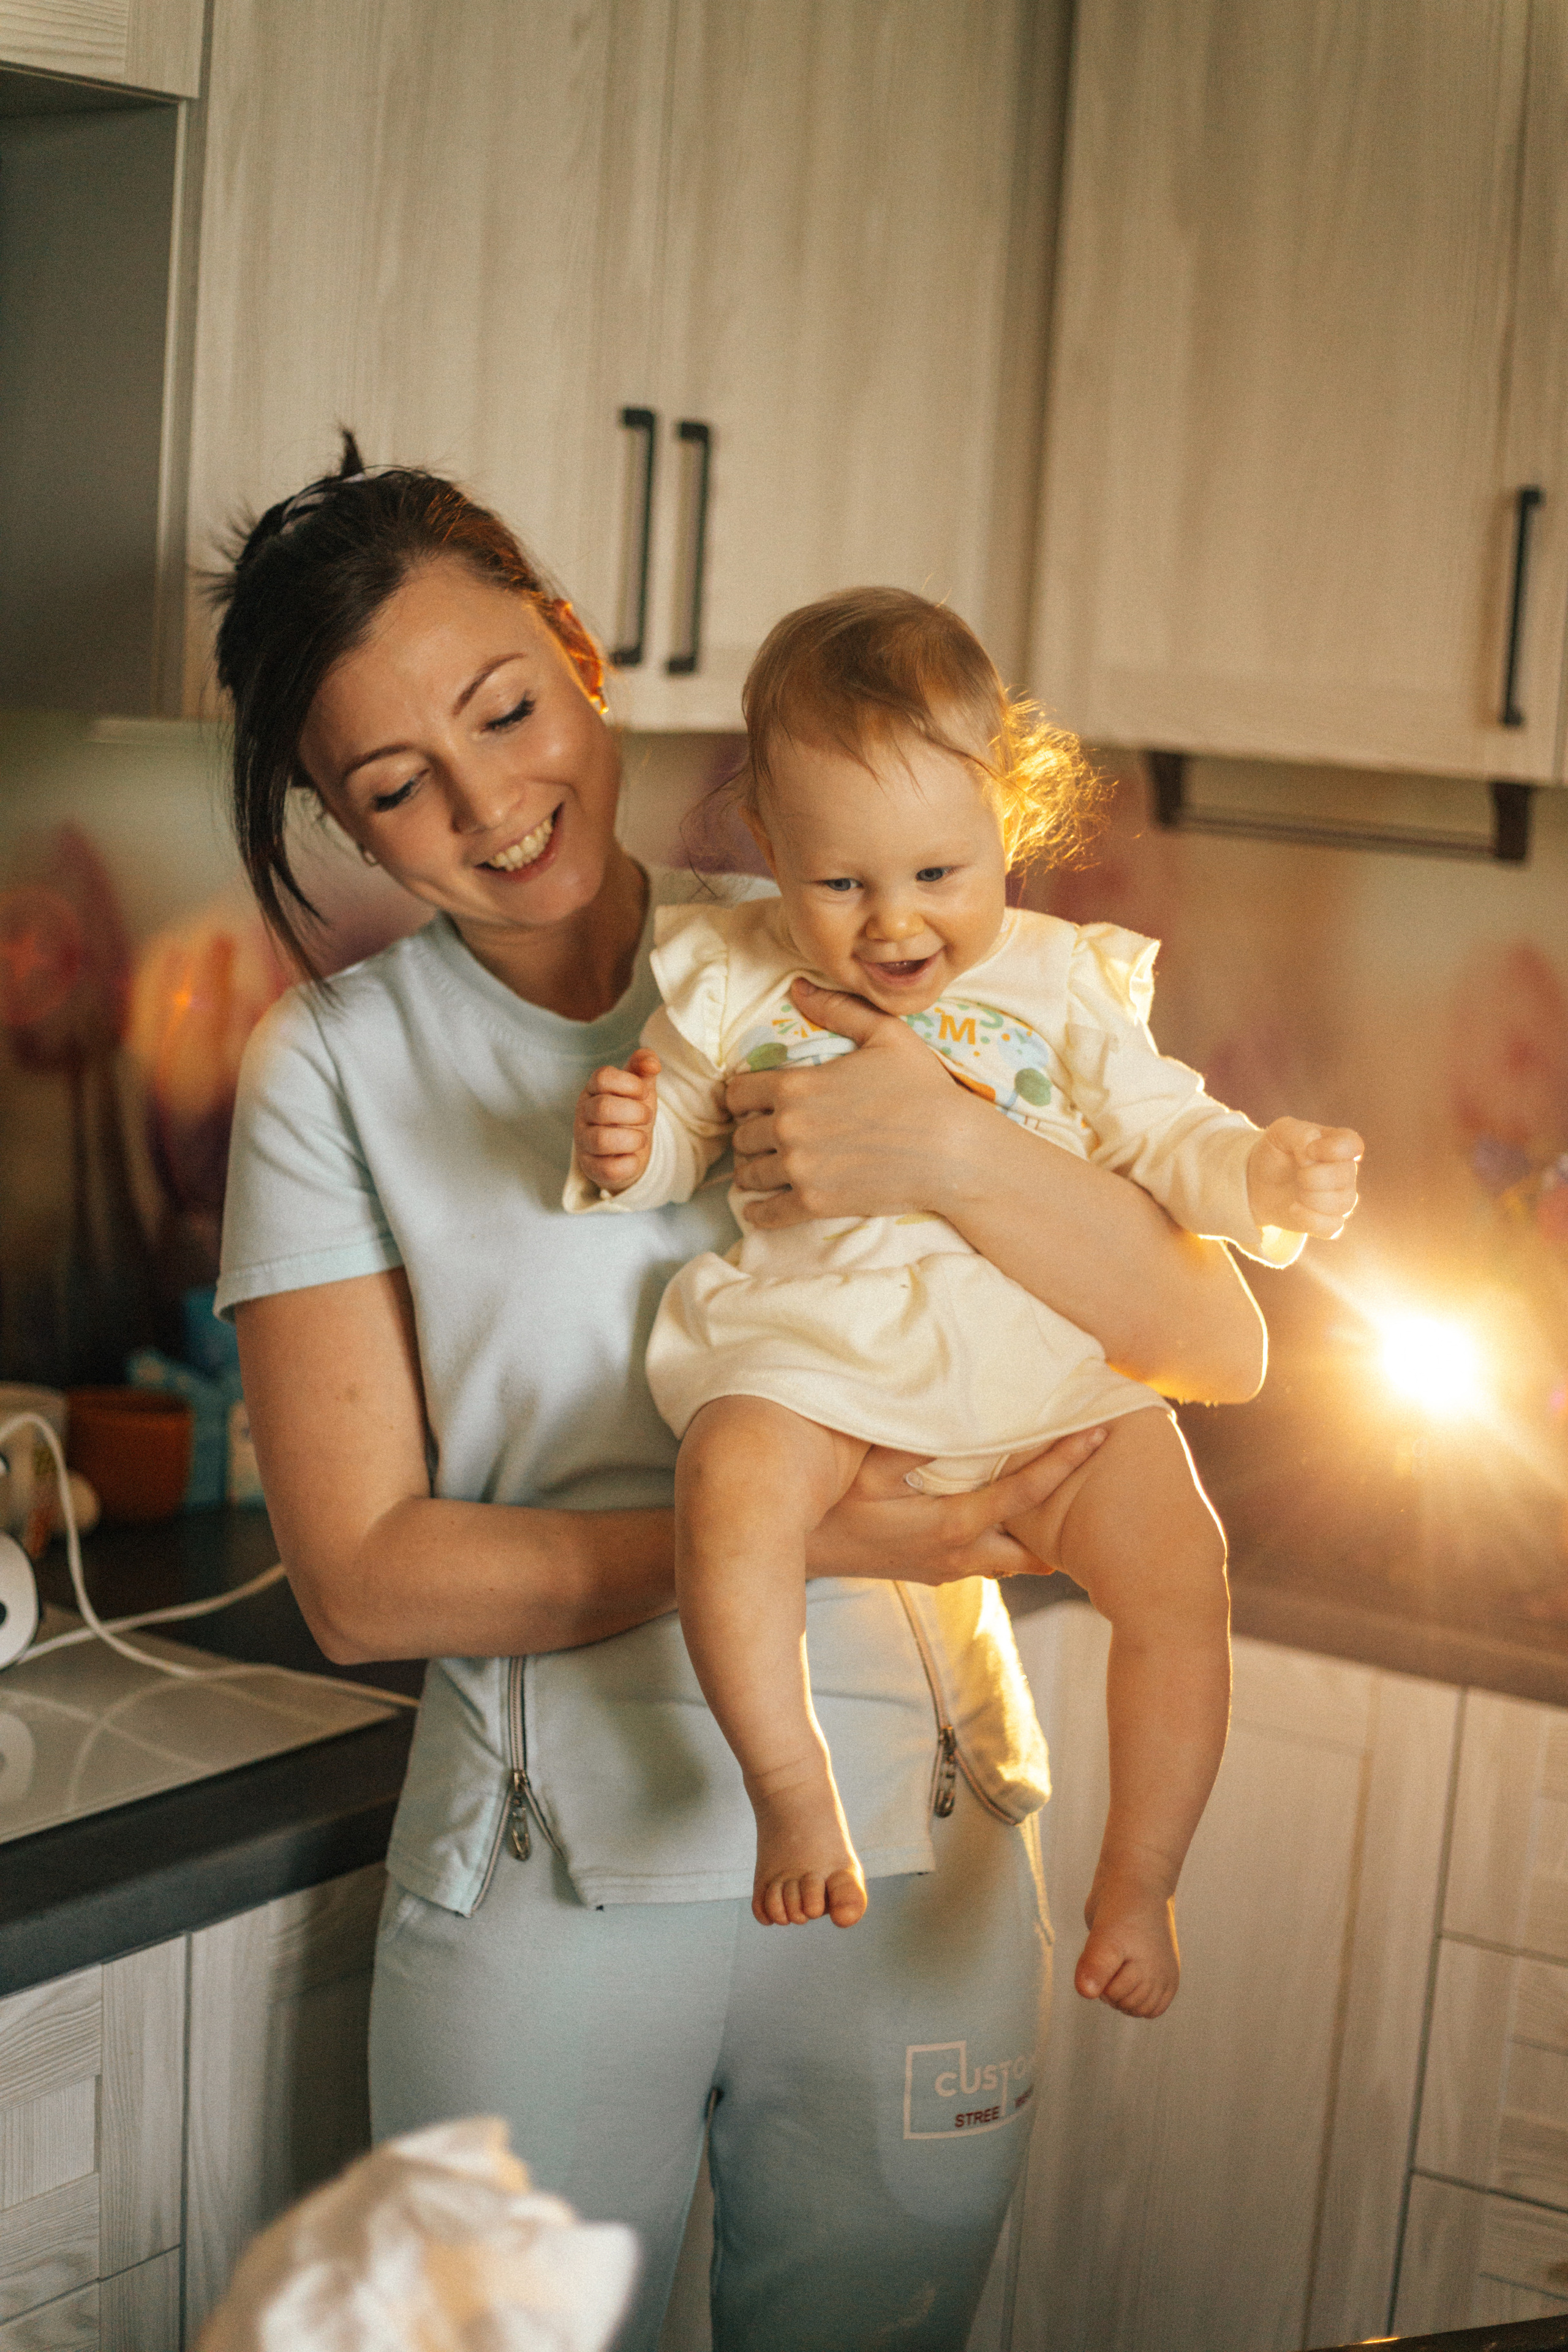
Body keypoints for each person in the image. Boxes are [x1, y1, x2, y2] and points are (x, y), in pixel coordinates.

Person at [214, 437, 1271, 2352]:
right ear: (349, 829)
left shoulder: (862, 915)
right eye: (398, 786)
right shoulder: (331, 1071)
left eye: (507, 709)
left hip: (919, 1866)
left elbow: (1218, 1349)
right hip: (545, 1878)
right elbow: (361, 1583)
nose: (491, 801)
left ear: (582, 651)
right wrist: (846, 1534)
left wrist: (948, 1152)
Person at [569, 590, 1363, 2007]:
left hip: (1051, 1376)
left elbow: (1169, 1140)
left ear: (1010, 825)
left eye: (938, 873)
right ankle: (787, 1782)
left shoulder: (1065, 988)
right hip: (826, 1363)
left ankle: (1138, 1879)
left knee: (1183, 1581)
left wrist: (1264, 1174)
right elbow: (680, 1127)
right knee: (729, 1477)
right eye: (838, 885)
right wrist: (632, 1148)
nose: (892, 924)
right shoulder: (730, 978)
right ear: (769, 850)